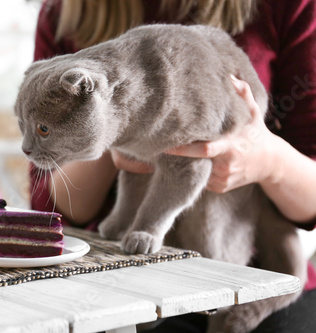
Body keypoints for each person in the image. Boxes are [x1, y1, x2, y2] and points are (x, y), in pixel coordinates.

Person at [29, 0, 316, 331]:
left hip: (253, 262)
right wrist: (111, 134)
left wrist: (267, 160)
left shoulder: (287, 6)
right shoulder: (66, 11)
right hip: (122, 266)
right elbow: (48, 208)